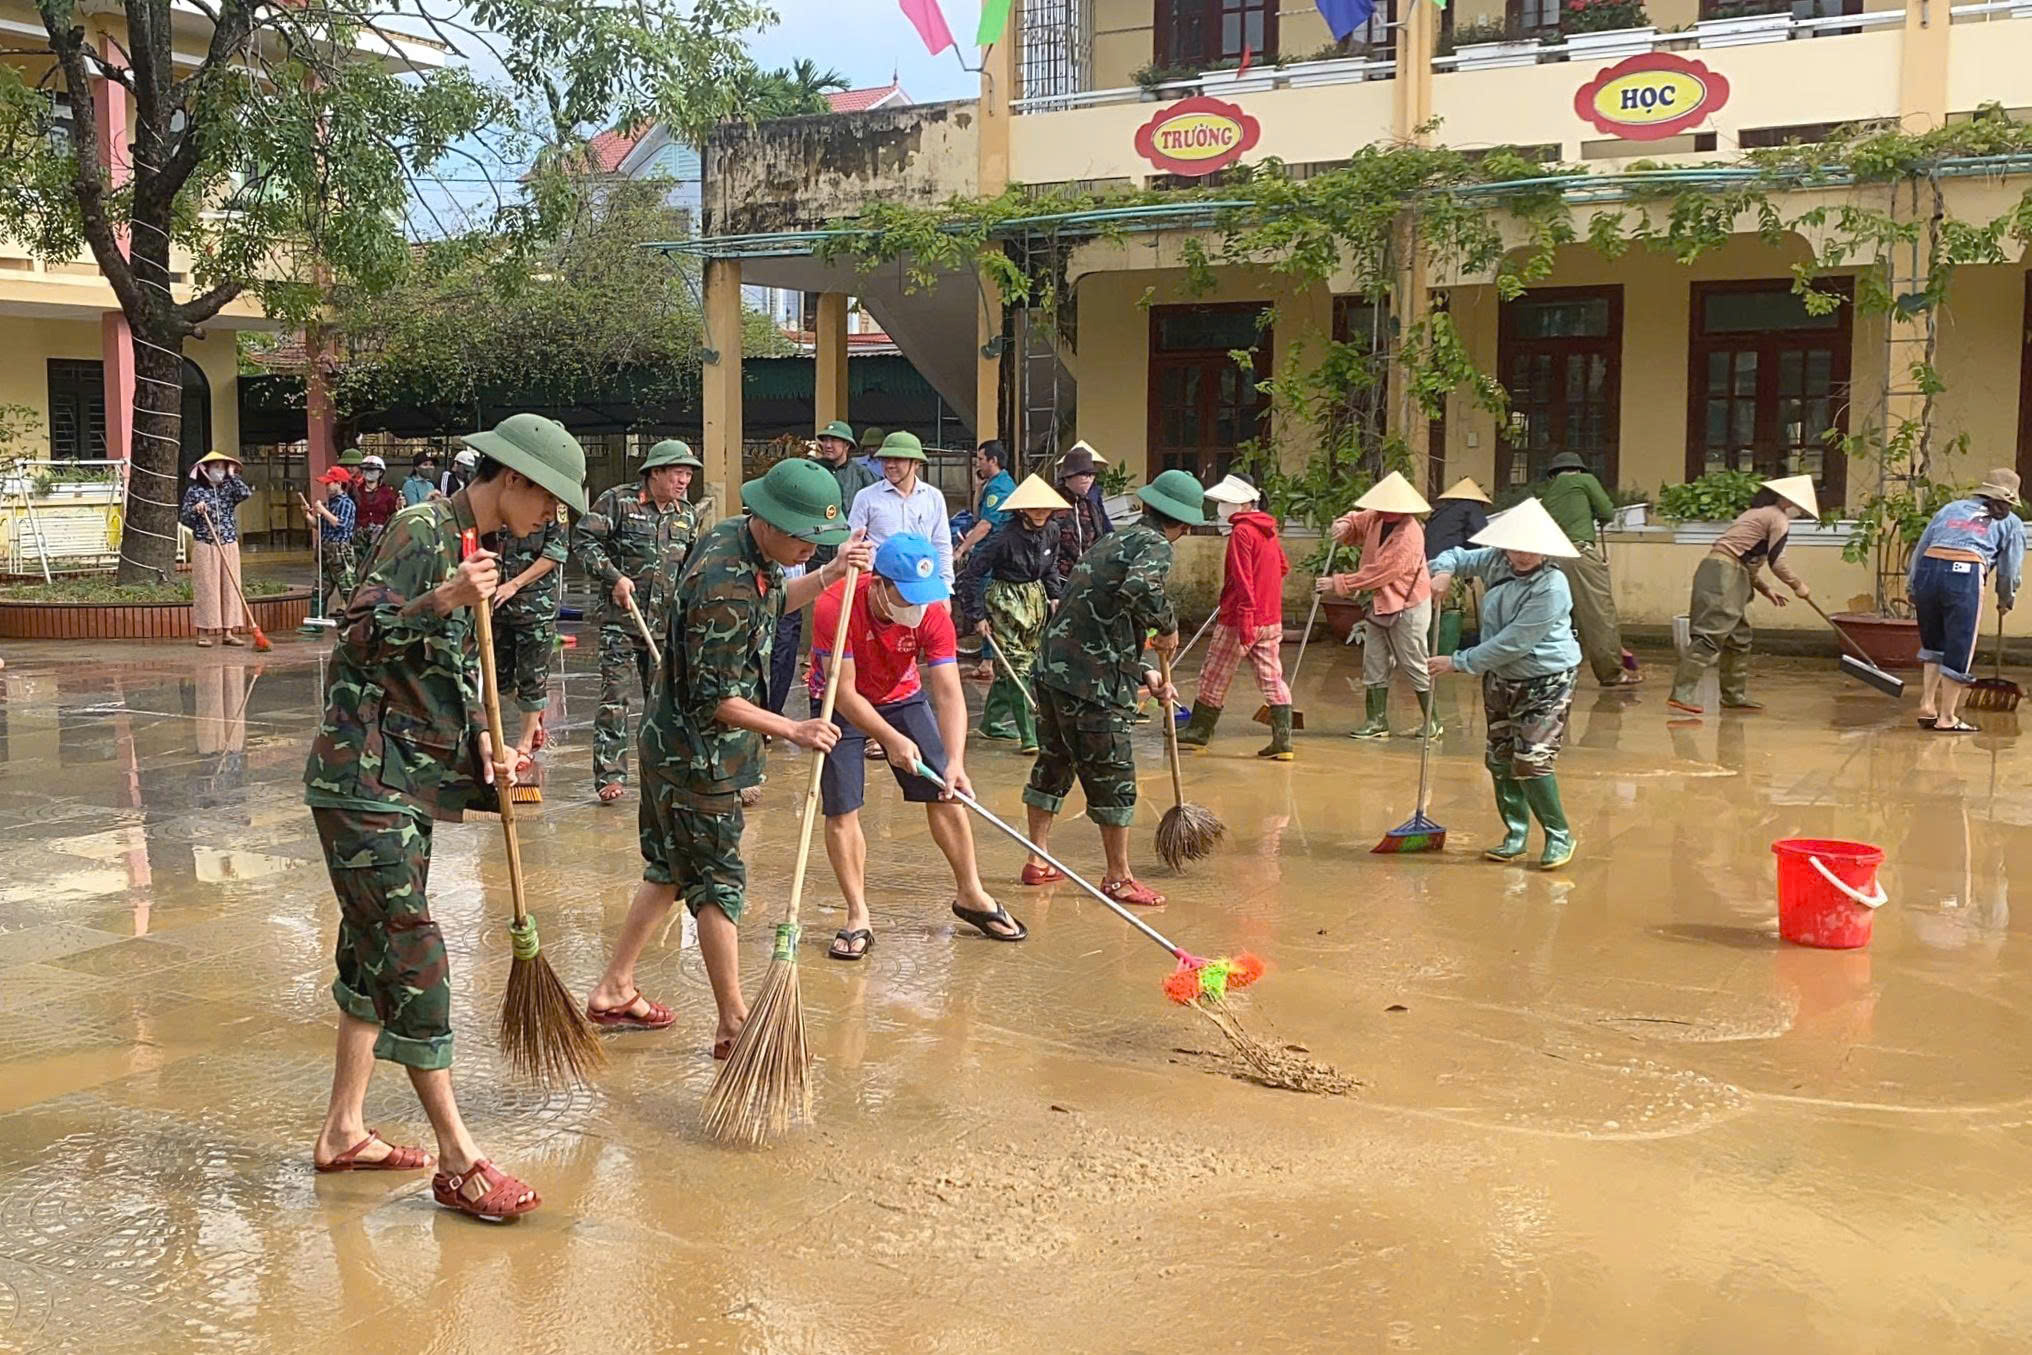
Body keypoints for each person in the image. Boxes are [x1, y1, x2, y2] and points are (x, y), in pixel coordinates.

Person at [303, 411, 588, 1222]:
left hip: (407, 779)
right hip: (364, 780)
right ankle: (460, 1160)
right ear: (513, 478)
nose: (551, 516)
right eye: (549, 498)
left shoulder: (473, 545)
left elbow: (437, 677)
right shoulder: (423, 529)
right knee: (415, 956)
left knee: (371, 957)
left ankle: (343, 1129)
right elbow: (358, 636)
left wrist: (484, 749)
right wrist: (443, 597)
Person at [583, 460, 871, 1052]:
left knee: (670, 868)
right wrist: (793, 728)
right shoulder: (724, 587)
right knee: (717, 883)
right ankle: (733, 1021)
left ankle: (615, 986)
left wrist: (830, 573)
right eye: (805, 539)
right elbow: (714, 700)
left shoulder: (740, 538)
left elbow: (774, 603)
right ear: (770, 521)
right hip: (697, 758)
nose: (810, 550)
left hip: (673, 743)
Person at [812, 532, 1025, 960]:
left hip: (902, 694)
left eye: (922, 598)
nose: (915, 608)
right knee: (842, 806)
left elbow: (948, 692)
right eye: (907, 598)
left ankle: (971, 893)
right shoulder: (836, 604)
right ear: (879, 584)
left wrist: (955, 761)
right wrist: (891, 740)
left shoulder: (932, 613)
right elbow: (847, 694)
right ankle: (857, 914)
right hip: (838, 699)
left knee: (946, 791)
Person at [1021, 468, 1204, 908]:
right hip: (1091, 683)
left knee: (1055, 761)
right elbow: (1139, 589)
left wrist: (1142, 670)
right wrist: (1168, 625)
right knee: (1114, 774)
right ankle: (1119, 877)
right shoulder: (1156, 545)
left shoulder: (1113, 539)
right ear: (1183, 525)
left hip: (1055, 670)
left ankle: (1037, 859)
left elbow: (1101, 613)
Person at [1426, 497, 1583, 871]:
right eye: (1515, 547)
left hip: (1546, 679)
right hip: (1501, 676)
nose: (1522, 556)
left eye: (1531, 549)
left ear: (1544, 549)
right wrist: (1443, 571)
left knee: (1531, 759)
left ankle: (1559, 835)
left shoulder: (1552, 586)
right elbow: (1455, 555)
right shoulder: (1496, 560)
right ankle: (1515, 834)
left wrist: (1458, 662)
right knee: (1499, 757)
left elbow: (1514, 642)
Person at [575, 440, 702, 803]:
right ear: (655, 472)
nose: (684, 480)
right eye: (677, 472)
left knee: (662, 703)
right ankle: (610, 775)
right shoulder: (619, 501)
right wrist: (613, 577)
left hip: (664, 626)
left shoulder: (686, 515)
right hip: (621, 620)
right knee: (615, 698)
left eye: (688, 474)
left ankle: (662, 769)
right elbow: (584, 542)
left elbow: (690, 568)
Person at [1666, 475, 1818, 717]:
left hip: (1722, 570)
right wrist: (1798, 585)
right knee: (1710, 634)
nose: (1799, 510)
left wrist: (1766, 590)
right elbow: (1777, 562)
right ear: (1788, 501)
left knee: (1739, 637)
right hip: (1725, 574)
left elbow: (1746, 560)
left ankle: (1733, 695)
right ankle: (1681, 694)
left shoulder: (1754, 513)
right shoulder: (1778, 518)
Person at [1179, 473, 1294, 758]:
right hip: (1270, 617)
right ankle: (1283, 742)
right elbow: (1282, 567)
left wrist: (1244, 612)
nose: (1222, 506)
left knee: (1214, 673)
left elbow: (1243, 578)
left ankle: (1199, 732)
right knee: (1272, 677)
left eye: (1226, 501)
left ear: (1244, 503)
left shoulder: (1242, 531)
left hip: (1240, 617)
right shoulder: (1268, 528)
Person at [772, 421, 880, 715]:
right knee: (796, 632)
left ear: (848, 446)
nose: (828, 445)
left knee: (850, 632)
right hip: (810, 562)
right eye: (824, 440)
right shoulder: (810, 472)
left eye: (835, 440)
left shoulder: (864, 477)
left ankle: (852, 702)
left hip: (850, 566)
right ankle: (789, 700)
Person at [1323, 471, 1439, 741]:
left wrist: (1339, 582)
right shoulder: (1376, 516)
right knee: (1374, 659)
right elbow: (1357, 520)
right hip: (1380, 603)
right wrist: (1344, 525)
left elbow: (1381, 572)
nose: (1386, 510)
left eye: (1392, 507)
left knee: (1413, 662)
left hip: (1408, 604)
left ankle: (1433, 721)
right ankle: (1376, 721)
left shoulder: (1409, 534)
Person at [1909, 469, 2026, 733]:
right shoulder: (2011, 523)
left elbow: (1922, 547)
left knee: (1934, 643)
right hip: (1964, 575)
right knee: (1960, 645)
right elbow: (2009, 570)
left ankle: (1927, 704)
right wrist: (2005, 598)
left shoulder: (1950, 509)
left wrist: (1913, 585)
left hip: (1928, 570)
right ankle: (1947, 717)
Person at [957, 475, 1068, 753]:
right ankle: (1029, 734)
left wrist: (1054, 595)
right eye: (1034, 507)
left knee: (1019, 664)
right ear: (1021, 509)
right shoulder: (1002, 537)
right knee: (1017, 666)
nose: (1040, 512)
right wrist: (977, 615)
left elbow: (1050, 566)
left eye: (1045, 507)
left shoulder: (1052, 531)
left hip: (1034, 600)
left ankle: (992, 723)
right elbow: (971, 575)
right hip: (1004, 602)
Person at [1540, 452, 1639, 689]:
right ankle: (1611, 673)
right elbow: (1607, 511)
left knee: (1556, 616)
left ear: (1553, 474)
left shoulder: (1550, 492)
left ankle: (1548, 671)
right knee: (1598, 614)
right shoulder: (1584, 480)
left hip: (1549, 556)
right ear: (1578, 469)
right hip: (1579, 553)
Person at [493, 503, 570, 762]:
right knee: (500, 677)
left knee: (532, 676)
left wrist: (514, 585)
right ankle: (534, 718)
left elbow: (554, 554)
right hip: (496, 603)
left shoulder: (555, 506)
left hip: (536, 604)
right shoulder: (503, 498)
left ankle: (524, 746)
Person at [848, 430, 953, 586]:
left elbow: (941, 545)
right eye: (886, 459)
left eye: (898, 459)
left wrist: (946, 586)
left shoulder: (933, 497)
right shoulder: (866, 497)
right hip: (878, 584)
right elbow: (852, 543)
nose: (890, 465)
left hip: (921, 582)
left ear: (916, 463)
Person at [956, 440, 1018, 680]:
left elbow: (985, 525)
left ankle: (988, 661)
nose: (978, 464)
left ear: (993, 460)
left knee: (985, 605)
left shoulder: (1000, 488)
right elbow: (977, 516)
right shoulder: (994, 484)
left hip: (992, 554)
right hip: (991, 550)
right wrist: (979, 488)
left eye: (981, 459)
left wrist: (962, 549)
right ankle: (987, 660)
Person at [179, 450, 254, 649]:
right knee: (206, 587)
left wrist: (232, 474)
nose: (220, 471)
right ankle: (204, 633)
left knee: (230, 587)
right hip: (206, 544)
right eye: (217, 467)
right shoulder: (195, 491)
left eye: (223, 467)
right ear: (206, 469)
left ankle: (228, 632)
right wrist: (196, 510)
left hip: (228, 542)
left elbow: (245, 493)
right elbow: (185, 518)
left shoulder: (229, 488)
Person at [1051, 443, 1113, 586]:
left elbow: (1101, 537)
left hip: (1087, 579)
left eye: (1092, 475)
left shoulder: (1091, 506)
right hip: (1058, 579)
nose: (1088, 479)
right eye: (1083, 474)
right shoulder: (1052, 503)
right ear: (1068, 476)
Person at [305, 466, 358, 615]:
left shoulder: (346, 503)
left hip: (340, 551)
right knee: (320, 589)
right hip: (325, 550)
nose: (327, 486)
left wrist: (323, 511)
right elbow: (319, 525)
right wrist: (308, 515)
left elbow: (341, 524)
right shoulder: (330, 503)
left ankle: (355, 620)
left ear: (339, 483)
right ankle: (316, 620)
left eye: (329, 483)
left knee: (347, 588)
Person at [1424, 478, 1491, 560]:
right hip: (1449, 558)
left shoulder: (1443, 509)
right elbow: (1480, 534)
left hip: (1430, 556)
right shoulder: (1472, 507)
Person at [353, 455, 401, 555]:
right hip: (359, 538)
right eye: (366, 470)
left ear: (380, 473)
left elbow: (394, 514)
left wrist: (399, 507)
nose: (369, 473)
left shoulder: (388, 493)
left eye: (373, 470)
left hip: (380, 538)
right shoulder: (355, 492)